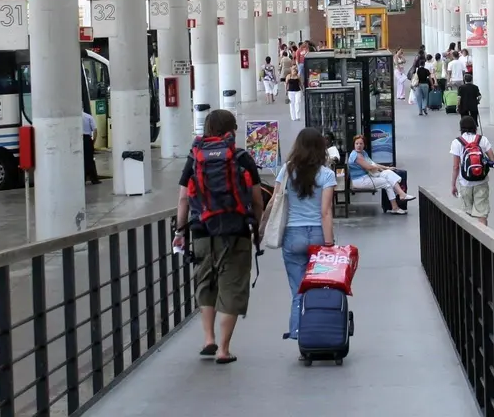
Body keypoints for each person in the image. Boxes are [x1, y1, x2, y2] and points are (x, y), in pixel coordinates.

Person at [174, 109, 265, 365]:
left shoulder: (195, 158)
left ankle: (208, 339)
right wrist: (256, 229)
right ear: (231, 130)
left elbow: (183, 198)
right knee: (231, 286)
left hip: (201, 229)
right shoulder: (241, 157)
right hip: (236, 231)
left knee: (206, 283)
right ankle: (224, 349)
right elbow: (257, 200)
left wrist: (180, 231)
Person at [262, 128, 336, 347]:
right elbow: (326, 212)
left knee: (298, 289)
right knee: (320, 287)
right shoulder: (327, 175)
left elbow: (274, 201)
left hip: (293, 236)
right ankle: (320, 331)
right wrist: (330, 244)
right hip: (317, 235)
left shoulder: (286, 170)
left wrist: (261, 228)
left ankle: (297, 332)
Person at [348, 135, 415, 214]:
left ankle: (401, 194)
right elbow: (370, 167)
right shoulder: (356, 156)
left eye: (361, 144)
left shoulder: (363, 153)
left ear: (364, 145)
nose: (359, 146)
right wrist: (381, 168)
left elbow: (373, 164)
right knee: (386, 183)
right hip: (360, 181)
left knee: (388, 173)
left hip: (367, 176)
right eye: (357, 143)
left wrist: (386, 168)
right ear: (354, 145)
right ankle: (395, 207)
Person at [449, 115, 494, 225]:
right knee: (482, 214)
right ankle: (483, 239)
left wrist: (453, 185)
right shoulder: (482, 139)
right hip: (481, 181)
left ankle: (468, 240)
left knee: (466, 215)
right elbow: (492, 160)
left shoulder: (457, 142)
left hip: (465, 182)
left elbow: (456, 166)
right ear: (475, 127)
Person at [81, 110, 100, 185]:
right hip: (87, 139)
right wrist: (93, 142)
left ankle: (83, 180)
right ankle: (94, 179)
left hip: (78, 139)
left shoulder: (75, 117)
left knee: (81, 160)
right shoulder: (88, 117)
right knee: (90, 160)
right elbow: (95, 130)